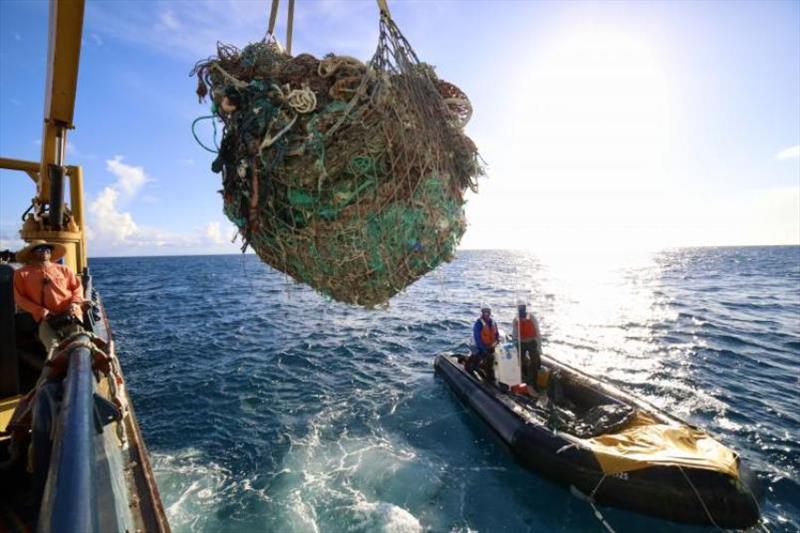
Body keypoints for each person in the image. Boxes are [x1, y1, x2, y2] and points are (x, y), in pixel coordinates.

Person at [13, 240, 85, 352]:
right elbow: (19, 298)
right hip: (46, 320)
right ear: (32, 253)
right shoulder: (21, 274)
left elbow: (77, 288)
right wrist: (41, 311)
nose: (45, 252)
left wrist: (75, 304)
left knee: (79, 345)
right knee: (53, 348)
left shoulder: (64, 269)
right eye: (40, 249)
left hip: (69, 315)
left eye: (48, 249)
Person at [511, 302, 542, 389]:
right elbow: (514, 333)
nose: (521, 311)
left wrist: (539, 347)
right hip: (521, 343)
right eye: (520, 309)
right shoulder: (516, 319)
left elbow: (537, 331)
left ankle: (534, 381)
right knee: (521, 361)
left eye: (522, 309)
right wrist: (514, 343)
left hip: (532, 342)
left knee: (535, 362)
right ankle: (523, 378)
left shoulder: (531, 317)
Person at [467, 305, 499, 381]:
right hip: (477, 346)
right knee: (479, 357)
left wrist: (496, 342)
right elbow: (477, 338)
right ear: (482, 313)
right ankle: (472, 368)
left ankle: (489, 375)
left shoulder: (493, 322)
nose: (487, 314)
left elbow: (497, 334)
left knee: (490, 359)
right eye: (485, 312)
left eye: (488, 312)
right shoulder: (478, 324)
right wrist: (484, 349)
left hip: (489, 346)